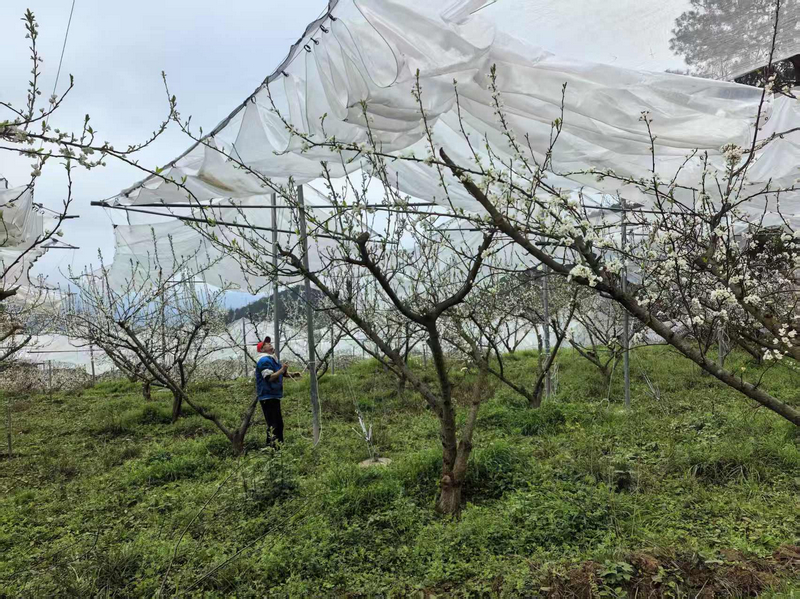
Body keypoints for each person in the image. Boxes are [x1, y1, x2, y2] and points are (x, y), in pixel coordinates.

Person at [255, 336, 298, 447]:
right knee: (274, 424)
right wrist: (282, 369)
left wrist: (291, 374)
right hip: (267, 396)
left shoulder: (272, 359)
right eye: (267, 344)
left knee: (277, 424)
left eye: (269, 343)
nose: (270, 345)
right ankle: (275, 449)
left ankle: (276, 448)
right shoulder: (264, 360)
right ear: (262, 350)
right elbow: (269, 377)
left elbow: (280, 373)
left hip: (273, 395)